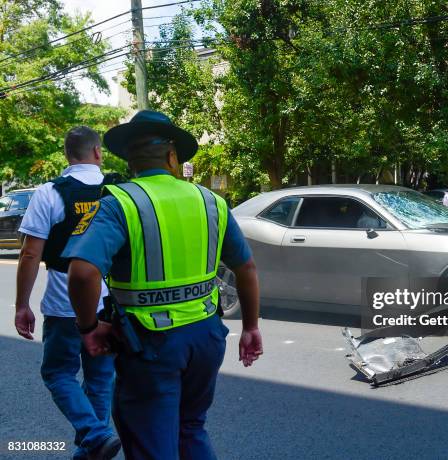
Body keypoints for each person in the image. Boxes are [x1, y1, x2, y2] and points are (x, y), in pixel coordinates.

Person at [62, 110, 263, 460]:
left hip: (150, 345)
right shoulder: (211, 201)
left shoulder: (118, 204)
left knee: (152, 442)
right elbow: (245, 267)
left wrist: (88, 327)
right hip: (206, 337)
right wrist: (251, 327)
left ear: (130, 160)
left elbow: (82, 273)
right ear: (172, 157)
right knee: (191, 427)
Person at [14, 126, 121, 460]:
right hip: (107, 298)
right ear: (98, 153)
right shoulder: (117, 191)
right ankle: (94, 444)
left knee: (58, 373)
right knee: (101, 378)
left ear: (66, 155)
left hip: (65, 301)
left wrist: (22, 305)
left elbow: (31, 253)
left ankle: (93, 435)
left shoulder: (50, 192)